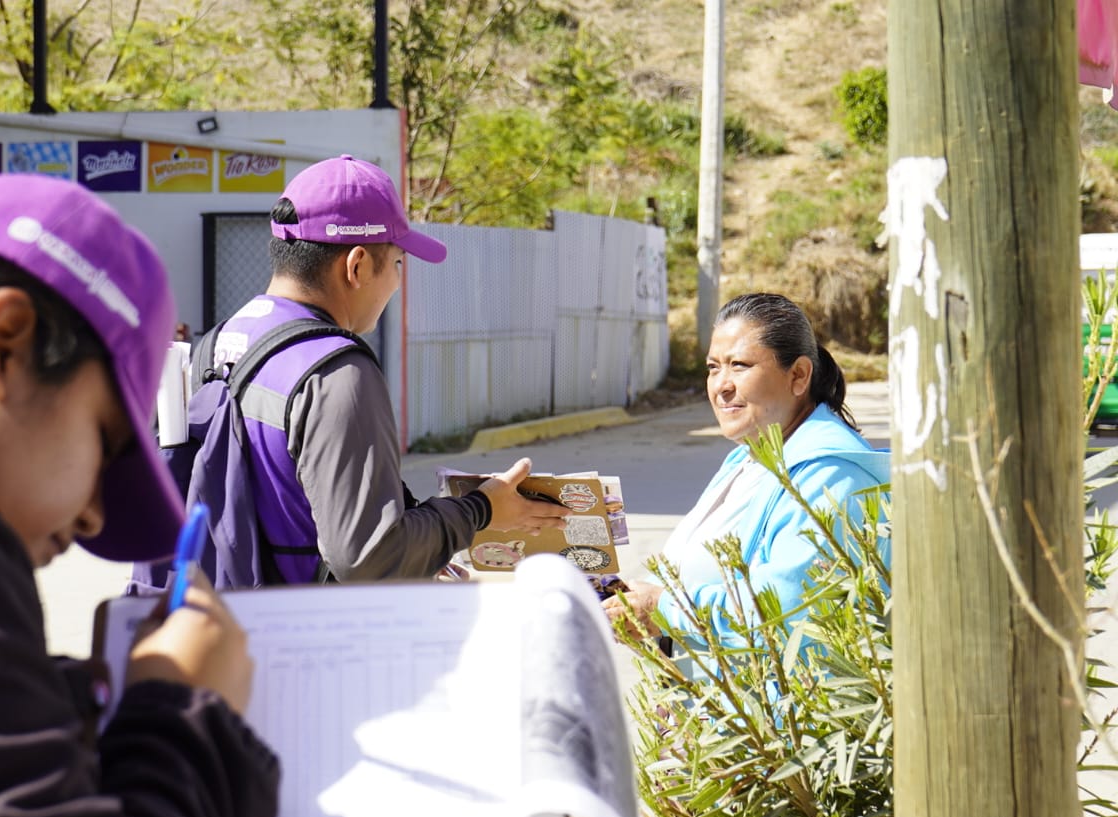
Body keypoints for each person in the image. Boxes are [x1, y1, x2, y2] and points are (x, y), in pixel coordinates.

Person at [0, 174, 279, 817]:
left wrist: (30, 706)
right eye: (106, 445)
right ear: (5, 344)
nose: (94, 517)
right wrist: (186, 714)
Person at [137, 154, 568, 587]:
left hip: (221, 626)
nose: (399, 283)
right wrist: (482, 510)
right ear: (357, 265)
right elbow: (369, 557)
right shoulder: (337, 373)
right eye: (398, 263)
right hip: (306, 638)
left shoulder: (215, 345)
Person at [602, 292, 889, 663]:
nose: (721, 385)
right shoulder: (748, 458)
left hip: (780, 718)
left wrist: (664, 610)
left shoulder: (831, 475)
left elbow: (789, 609)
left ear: (799, 375)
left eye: (739, 365)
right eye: (712, 367)